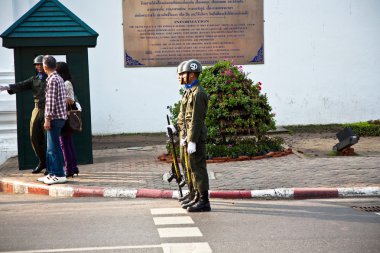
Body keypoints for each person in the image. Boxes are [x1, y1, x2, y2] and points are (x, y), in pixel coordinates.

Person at [166, 59, 211, 212]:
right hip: (186, 136)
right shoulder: (188, 91)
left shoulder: (198, 94)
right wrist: (176, 127)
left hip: (195, 138)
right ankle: (194, 195)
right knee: (188, 167)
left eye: (182, 74)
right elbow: (183, 115)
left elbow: (196, 120)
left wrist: (192, 140)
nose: (179, 77)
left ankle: (204, 201)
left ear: (191, 74)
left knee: (197, 169)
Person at [0, 55, 47, 174]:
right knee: (34, 137)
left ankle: (52, 165)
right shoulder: (34, 79)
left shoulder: (51, 78)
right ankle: (42, 161)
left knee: (50, 139)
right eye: (37, 65)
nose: (39, 67)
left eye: (41, 64)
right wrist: (7, 87)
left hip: (49, 109)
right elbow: (21, 85)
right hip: (37, 109)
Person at [38, 55, 67, 185]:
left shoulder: (52, 80)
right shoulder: (59, 78)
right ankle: (52, 173)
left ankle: (58, 174)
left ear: (45, 67)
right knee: (53, 147)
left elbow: (50, 101)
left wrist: (47, 119)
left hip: (54, 118)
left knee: (53, 148)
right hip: (60, 117)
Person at [56, 62, 79, 178]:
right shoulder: (65, 82)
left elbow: (70, 100)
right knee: (67, 143)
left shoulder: (66, 83)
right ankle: (73, 167)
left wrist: (59, 98)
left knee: (65, 144)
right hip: (65, 116)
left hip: (65, 116)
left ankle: (69, 168)